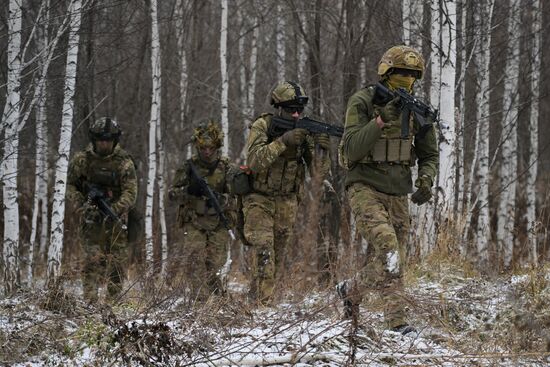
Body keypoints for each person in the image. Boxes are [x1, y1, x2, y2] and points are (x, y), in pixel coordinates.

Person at [338, 45, 439, 333]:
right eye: (401, 73)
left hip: (398, 192)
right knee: (388, 248)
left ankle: (367, 300)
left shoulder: (418, 111)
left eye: (412, 74)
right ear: (387, 72)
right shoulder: (364, 101)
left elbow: (429, 154)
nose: (406, 78)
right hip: (365, 186)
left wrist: (426, 181)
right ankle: (394, 320)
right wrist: (381, 120)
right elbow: (351, 150)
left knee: (397, 260)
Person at [242, 81, 331, 305]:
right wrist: (283, 141)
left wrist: (323, 149)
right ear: (279, 108)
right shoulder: (262, 126)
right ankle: (263, 304)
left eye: (299, 110)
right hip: (259, 199)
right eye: (291, 109)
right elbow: (254, 161)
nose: (296, 114)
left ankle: (260, 301)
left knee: (278, 258)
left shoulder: (304, 131)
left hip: (287, 202)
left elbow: (318, 173)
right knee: (263, 251)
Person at [67, 117, 137, 303]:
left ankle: (113, 305)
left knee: (117, 265)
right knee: (91, 262)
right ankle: (89, 303)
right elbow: (69, 186)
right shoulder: (82, 160)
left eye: (108, 140)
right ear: (94, 140)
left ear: (115, 140)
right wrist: (83, 205)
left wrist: (114, 209)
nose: (104, 144)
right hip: (90, 222)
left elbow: (131, 193)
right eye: (100, 140)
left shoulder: (124, 163)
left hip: (115, 221)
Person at [168, 120, 235, 299]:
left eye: (210, 148)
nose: (207, 152)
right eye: (203, 148)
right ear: (198, 147)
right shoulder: (189, 167)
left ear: (216, 147)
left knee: (215, 264)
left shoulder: (226, 166)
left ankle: (218, 298)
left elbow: (236, 194)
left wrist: (222, 199)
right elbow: (172, 194)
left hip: (218, 222)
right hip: (194, 221)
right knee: (194, 261)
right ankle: (200, 300)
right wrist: (188, 191)